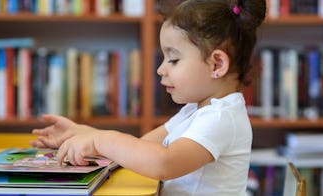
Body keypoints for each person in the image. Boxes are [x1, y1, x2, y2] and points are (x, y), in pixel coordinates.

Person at [30, 0, 266, 195]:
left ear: (217, 63)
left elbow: (163, 163)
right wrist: (85, 134)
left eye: (173, 59)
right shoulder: (196, 110)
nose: (161, 70)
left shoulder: (221, 118)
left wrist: (100, 140)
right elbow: (144, 147)